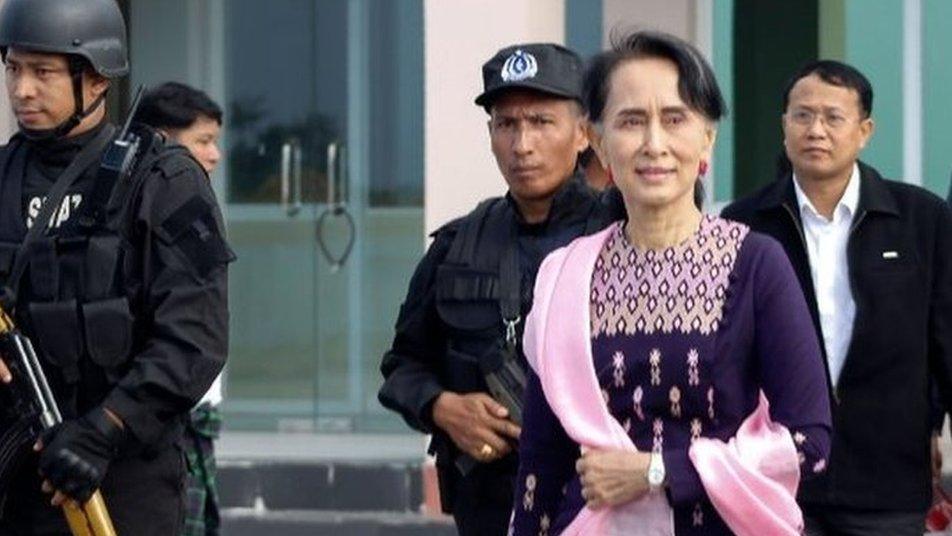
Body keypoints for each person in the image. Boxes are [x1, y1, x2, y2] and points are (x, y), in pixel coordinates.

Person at [510, 31, 832, 535]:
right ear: (597, 142)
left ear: (706, 138)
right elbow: (540, 462)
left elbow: (808, 443)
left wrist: (657, 471)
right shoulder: (563, 277)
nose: (654, 144)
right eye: (631, 121)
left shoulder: (755, 263)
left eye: (675, 119)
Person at [0, 0, 233, 534]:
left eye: (43, 71)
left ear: (97, 80)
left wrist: (103, 430)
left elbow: (195, 339)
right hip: (14, 478)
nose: (22, 89)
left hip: (123, 478)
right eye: (13, 67)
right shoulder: (3, 176)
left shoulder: (162, 182)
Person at [378, 42, 610, 535]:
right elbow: (402, 365)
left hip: (598, 503)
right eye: (507, 124)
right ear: (490, 135)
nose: (522, 144)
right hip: (488, 506)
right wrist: (444, 408)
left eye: (542, 122)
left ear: (583, 133)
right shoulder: (457, 245)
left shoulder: (623, 235)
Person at [722, 59, 952, 536]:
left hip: (886, 482)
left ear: (864, 130)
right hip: (778, 482)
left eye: (833, 117)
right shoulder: (743, 226)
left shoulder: (920, 220)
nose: (815, 130)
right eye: (802, 116)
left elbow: (945, 341)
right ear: (784, 125)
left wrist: (930, 421)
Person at [135, 81, 225, 536]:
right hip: (153, 425)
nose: (215, 156)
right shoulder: (136, 212)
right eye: (203, 141)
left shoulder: (194, 206)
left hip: (197, 420)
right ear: (161, 140)